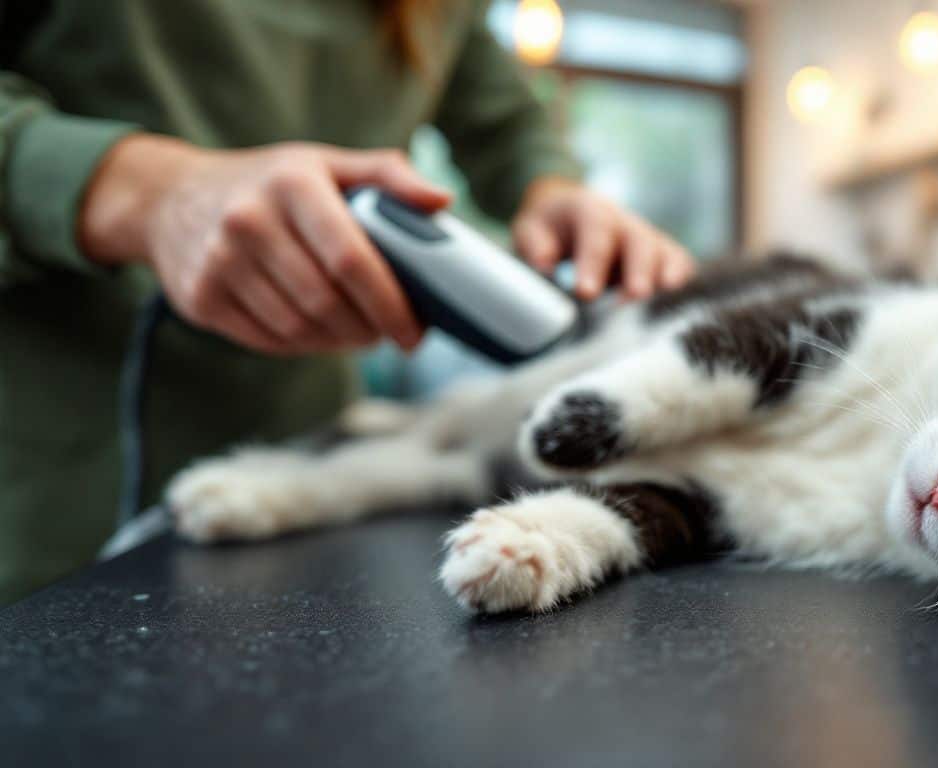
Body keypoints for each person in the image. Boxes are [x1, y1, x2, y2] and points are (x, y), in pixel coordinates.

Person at [0, 0, 696, 604]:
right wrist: (139, 192)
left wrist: (554, 189)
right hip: (53, 486)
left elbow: (505, 119)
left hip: (304, 481)